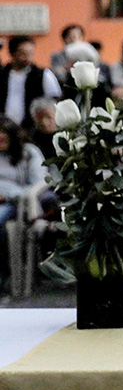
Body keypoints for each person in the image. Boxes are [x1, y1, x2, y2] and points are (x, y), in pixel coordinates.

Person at [0, 117, 46, 293]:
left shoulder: (28, 153)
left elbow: (39, 184)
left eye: (3, 139)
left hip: (16, 203)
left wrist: (7, 195)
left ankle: (6, 273)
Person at [0, 36, 61, 129]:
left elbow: (54, 99)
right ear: (13, 54)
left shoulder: (43, 74)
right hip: (4, 129)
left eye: (30, 53)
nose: (28, 57)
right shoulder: (2, 74)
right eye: (23, 54)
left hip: (32, 129)